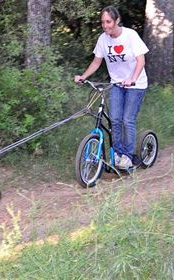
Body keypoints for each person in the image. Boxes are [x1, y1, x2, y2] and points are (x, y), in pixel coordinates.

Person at [74, 5, 149, 169]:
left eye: (108, 21)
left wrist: (132, 79)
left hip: (136, 85)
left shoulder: (130, 36)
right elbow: (96, 62)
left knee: (127, 120)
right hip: (116, 84)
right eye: (103, 22)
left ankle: (127, 157)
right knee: (115, 120)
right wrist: (84, 77)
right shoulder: (103, 39)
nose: (105, 25)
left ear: (117, 21)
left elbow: (141, 61)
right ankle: (118, 154)